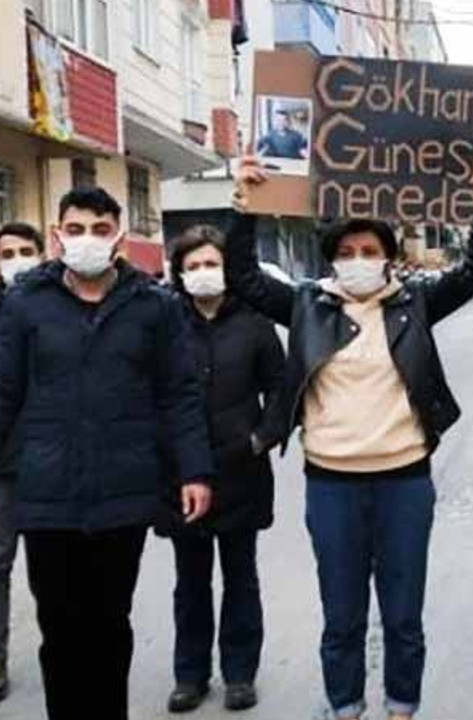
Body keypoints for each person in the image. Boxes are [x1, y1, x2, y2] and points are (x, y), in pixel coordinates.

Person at [228, 156, 473, 720]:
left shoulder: (415, 303)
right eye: (346, 253)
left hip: (405, 484)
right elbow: (245, 279)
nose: (358, 262)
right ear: (330, 261)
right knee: (342, 615)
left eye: (369, 251)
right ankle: (344, 706)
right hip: (332, 487)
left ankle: (402, 707)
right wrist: (246, 209)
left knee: (403, 614)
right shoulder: (305, 304)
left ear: (389, 258)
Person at [0, 187, 214, 720]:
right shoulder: (25, 303)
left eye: (100, 230)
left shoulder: (153, 306)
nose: (88, 240)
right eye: (76, 229)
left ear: (119, 238)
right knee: (59, 628)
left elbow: (178, 393)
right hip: (46, 493)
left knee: (110, 624)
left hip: (122, 493)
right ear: (58, 236)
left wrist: (195, 469)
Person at [162, 226, 287, 714]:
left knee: (241, 575)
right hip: (182, 473)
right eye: (192, 266)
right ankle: (190, 675)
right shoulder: (167, 321)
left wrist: (263, 437)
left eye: (210, 263)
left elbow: (281, 387)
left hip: (242, 470)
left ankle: (240, 672)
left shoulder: (255, 322)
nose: (202, 274)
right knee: (190, 580)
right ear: (179, 273)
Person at [0, 223, 45, 704]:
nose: (17, 259)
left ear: (42, 255)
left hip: (51, 463)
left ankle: (60, 647)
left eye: (26, 251)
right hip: (1, 467)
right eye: (8, 253)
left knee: (54, 568)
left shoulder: (61, 309)